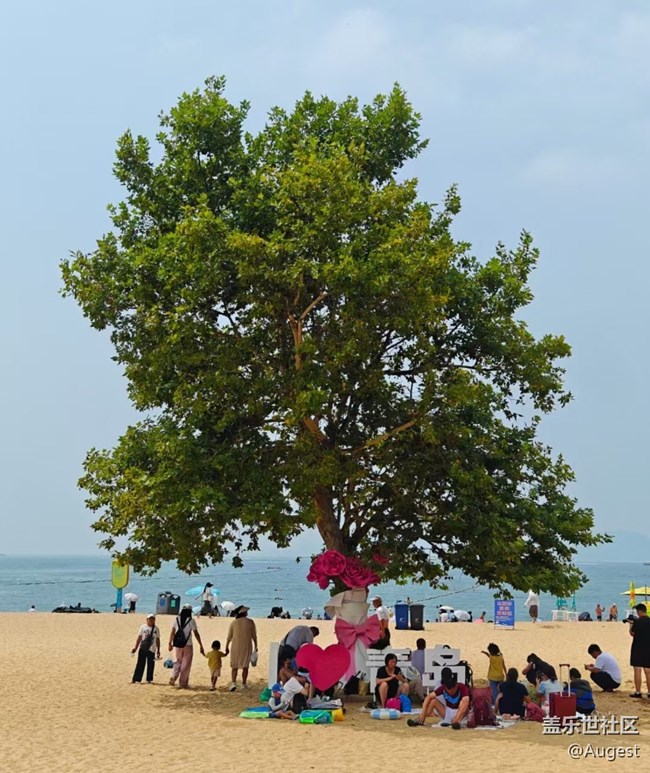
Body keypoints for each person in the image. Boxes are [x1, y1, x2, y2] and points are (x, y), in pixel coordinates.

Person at [168, 605, 205, 689]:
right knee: (186, 664)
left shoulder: (176, 619)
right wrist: (201, 645)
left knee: (178, 661)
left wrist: (169, 643)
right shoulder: (191, 621)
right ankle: (183, 683)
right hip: (188, 644)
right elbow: (196, 634)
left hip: (177, 644)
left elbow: (172, 632)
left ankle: (173, 676)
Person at [225, 604, 258, 691]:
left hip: (236, 645)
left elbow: (229, 636)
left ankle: (233, 683)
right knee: (245, 666)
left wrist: (226, 646)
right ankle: (244, 683)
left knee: (234, 665)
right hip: (246, 645)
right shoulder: (250, 622)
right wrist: (256, 645)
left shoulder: (234, 622)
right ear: (244, 613)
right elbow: (254, 635)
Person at [131, 613, 160, 684]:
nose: (151, 620)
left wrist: (158, 650)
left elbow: (157, 639)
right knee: (140, 664)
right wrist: (135, 647)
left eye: (153, 619)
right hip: (143, 648)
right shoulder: (143, 627)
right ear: (147, 619)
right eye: (150, 619)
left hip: (152, 649)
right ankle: (137, 679)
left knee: (151, 664)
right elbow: (139, 637)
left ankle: (149, 679)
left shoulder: (156, 629)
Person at [629, 603, 650, 698]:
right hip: (648, 648)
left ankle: (638, 691)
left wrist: (630, 625)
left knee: (637, 669)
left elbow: (632, 633)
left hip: (637, 648)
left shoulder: (637, 622)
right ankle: (649, 692)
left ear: (639, 611)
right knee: (648, 671)